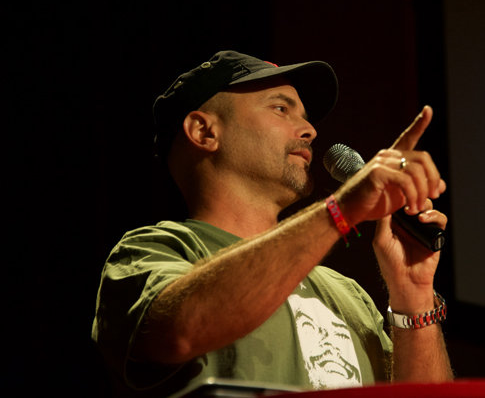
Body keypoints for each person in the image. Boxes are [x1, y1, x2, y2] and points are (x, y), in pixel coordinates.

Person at [92, 50, 453, 397]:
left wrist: (413, 294)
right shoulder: (152, 251)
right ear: (204, 132)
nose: (310, 130)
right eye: (281, 108)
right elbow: (181, 331)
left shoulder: (346, 293)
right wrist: (341, 210)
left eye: (306, 116)